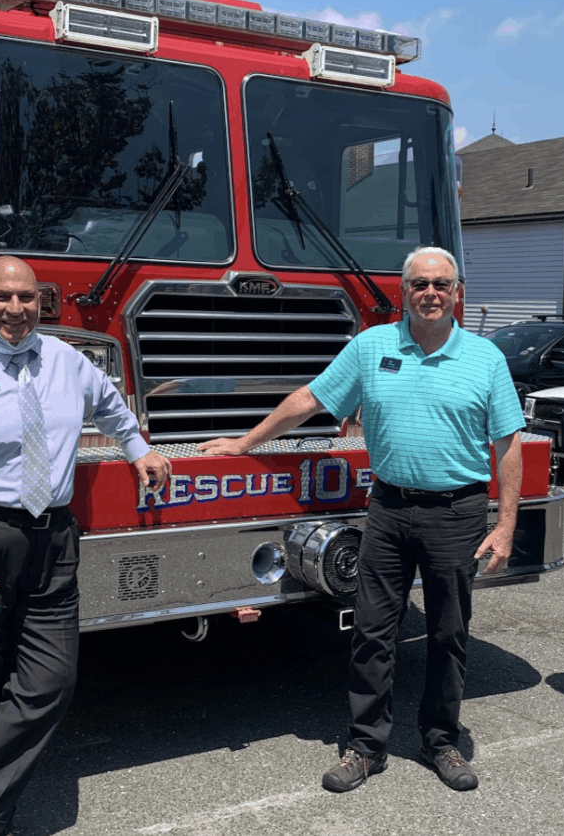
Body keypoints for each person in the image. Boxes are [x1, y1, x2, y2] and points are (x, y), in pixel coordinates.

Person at [198, 246, 524, 793]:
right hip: (390, 508)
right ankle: (365, 746)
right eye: (420, 284)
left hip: (456, 512)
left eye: (442, 284)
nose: (431, 293)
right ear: (404, 292)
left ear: (458, 293)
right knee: (372, 631)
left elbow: (508, 444)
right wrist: (243, 443)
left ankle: (441, 741)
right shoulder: (371, 346)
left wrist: (506, 525)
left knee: (448, 632)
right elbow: (309, 398)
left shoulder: (486, 358)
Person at [0, 256, 170, 836]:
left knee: (51, 679)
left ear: (42, 303)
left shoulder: (67, 361)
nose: (15, 309)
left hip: (50, 537)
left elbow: (113, 404)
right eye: (2, 298)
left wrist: (137, 447)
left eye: (26, 298)